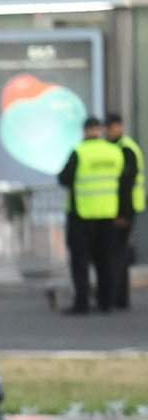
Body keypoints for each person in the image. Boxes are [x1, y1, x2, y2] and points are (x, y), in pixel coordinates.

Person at [59, 115, 134, 315]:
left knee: (80, 260)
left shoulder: (79, 152)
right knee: (106, 259)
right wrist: (123, 211)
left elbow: (64, 178)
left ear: (85, 131)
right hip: (108, 214)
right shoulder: (114, 152)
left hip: (82, 214)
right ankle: (106, 302)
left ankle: (82, 302)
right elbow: (124, 182)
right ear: (100, 130)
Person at [107, 112, 143, 309]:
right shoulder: (118, 148)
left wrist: (123, 213)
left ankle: (119, 297)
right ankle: (117, 296)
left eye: (111, 127)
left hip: (125, 210)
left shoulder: (126, 149)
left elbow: (127, 184)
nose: (108, 132)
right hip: (119, 209)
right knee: (117, 254)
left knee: (118, 254)